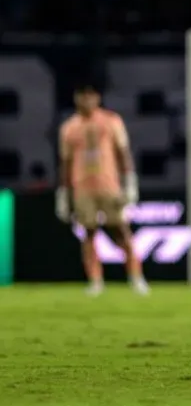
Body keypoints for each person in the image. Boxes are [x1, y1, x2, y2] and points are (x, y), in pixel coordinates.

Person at [57, 83, 149, 296]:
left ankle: (136, 277)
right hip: (82, 187)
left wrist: (130, 182)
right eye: (82, 96)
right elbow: (65, 162)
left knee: (121, 231)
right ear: (76, 98)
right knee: (88, 233)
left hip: (109, 185)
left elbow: (123, 152)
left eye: (90, 96)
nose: (86, 100)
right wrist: (63, 194)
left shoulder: (110, 121)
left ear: (97, 98)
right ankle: (95, 281)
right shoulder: (69, 127)